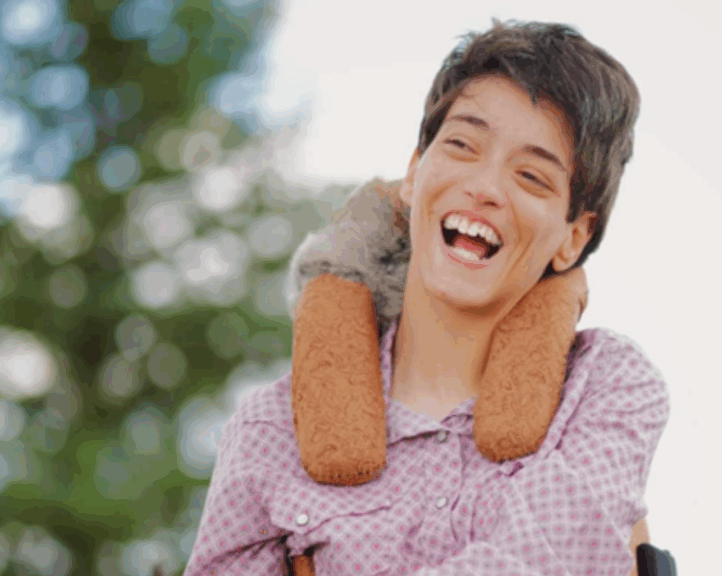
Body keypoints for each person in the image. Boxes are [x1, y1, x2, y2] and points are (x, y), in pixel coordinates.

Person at [183, 18, 670, 576]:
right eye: (463, 145)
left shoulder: (609, 387)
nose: (485, 188)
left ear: (573, 237)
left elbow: (545, 553)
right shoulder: (268, 433)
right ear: (414, 175)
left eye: (532, 177)